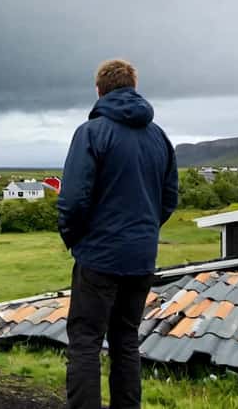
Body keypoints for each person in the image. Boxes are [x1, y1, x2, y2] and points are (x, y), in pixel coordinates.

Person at [58, 59, 178, 409]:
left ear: (99, 91)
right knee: (126, 340)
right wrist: (143, 233)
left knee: (85, 341)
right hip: (141, 259)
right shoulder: (159, 137)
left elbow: (73, 200)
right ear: (133, 88)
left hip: (98, 256)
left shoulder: (91, 133)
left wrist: (75, 239)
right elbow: (169, 198)